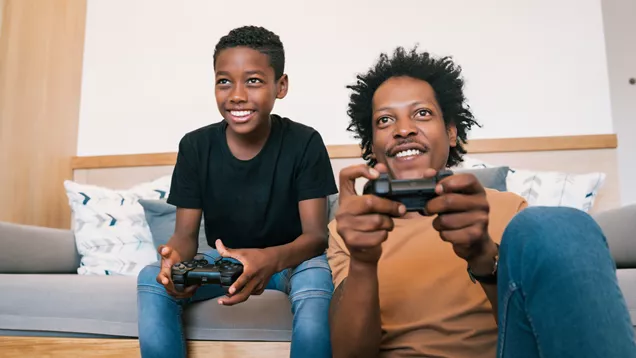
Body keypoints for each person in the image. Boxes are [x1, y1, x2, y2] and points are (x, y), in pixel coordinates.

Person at [326, 46, 636, 358]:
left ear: (450, 132)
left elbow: (537, 327)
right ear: (372, 145)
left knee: (562, 223)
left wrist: (483, 256)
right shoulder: (349, 230)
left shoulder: (510, 212)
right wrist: (364, 261)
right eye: (385, 120)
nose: (403, 129)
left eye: (422, 113)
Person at [136, 25, 338, 358]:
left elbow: (315, 237)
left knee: (316, 284)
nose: (237, 95)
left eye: (254, 81)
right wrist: (173, 258)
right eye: (224, 81)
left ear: (281, 85)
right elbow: (185, 236)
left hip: (290, 261)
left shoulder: (305, 142)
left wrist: (268, 259)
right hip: (224, 262)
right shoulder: (195, 146)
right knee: (149, 280)